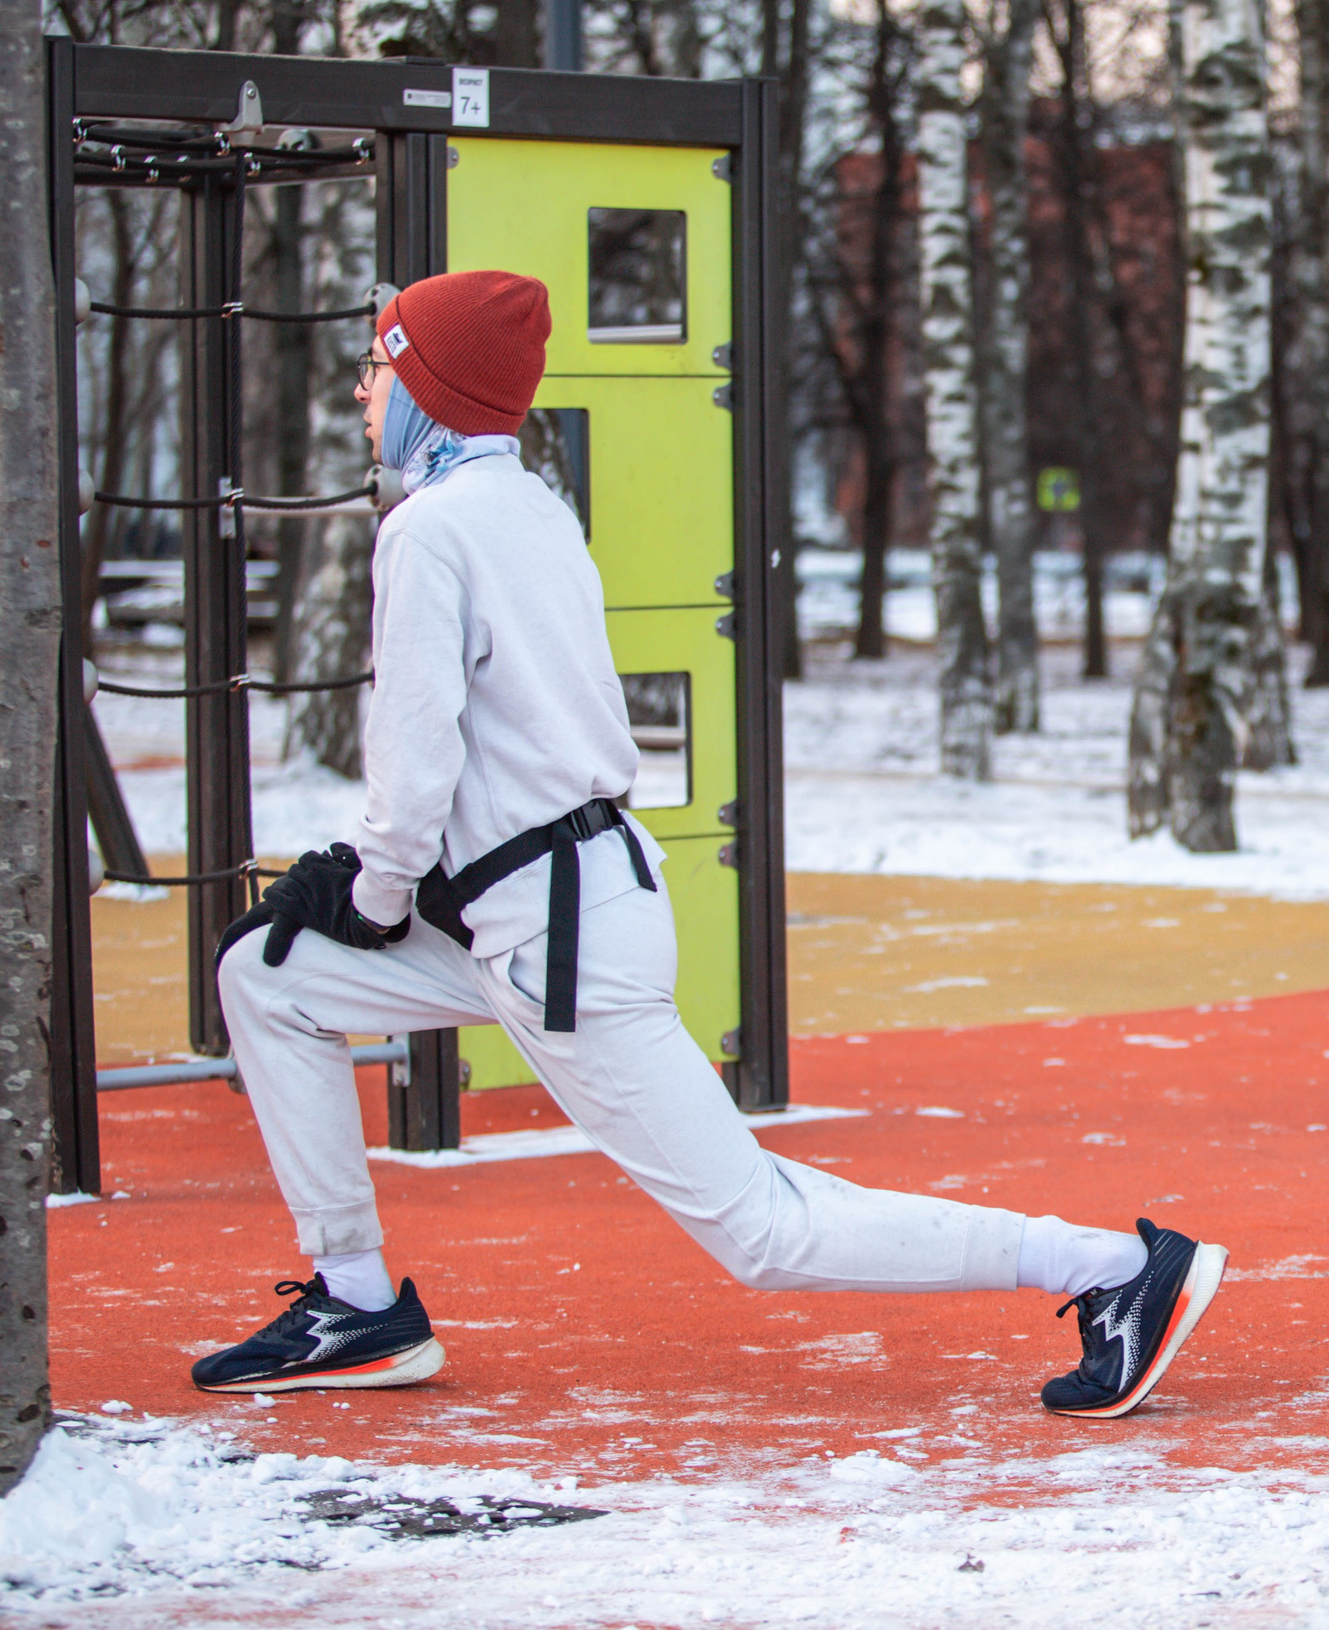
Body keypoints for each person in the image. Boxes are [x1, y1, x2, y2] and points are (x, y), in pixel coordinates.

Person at [195, 270, 1224, 1418]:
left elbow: (418, 749)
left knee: (762, 1231)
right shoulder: (527, 507)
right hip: (546, 903)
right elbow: (499, 747)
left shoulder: (428, 532)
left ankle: (1117, 1270)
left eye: (379, 369)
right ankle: (354, 1298)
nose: (359, 391)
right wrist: (376, 884)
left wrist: (375, 887)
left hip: (554, 932)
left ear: (429, 391)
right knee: (269, 971)